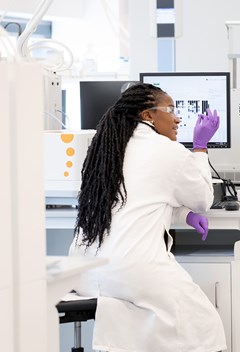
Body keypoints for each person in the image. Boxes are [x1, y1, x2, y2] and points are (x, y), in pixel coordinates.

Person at [69, 83, 227, 352]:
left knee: (134, 328)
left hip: (85, 271)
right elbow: (203, 198)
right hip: (132, 271)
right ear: (148, 115)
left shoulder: (108, 148)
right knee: (204, 325)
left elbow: (138, 197)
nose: (178, 118)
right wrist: (200, 148)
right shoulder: (168, 151)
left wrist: (183, 214)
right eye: (172, 110)